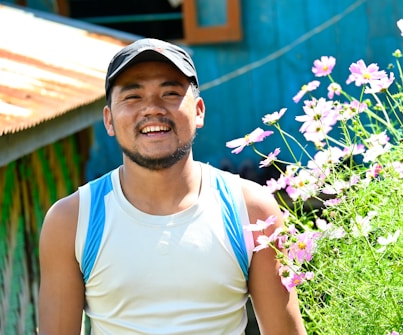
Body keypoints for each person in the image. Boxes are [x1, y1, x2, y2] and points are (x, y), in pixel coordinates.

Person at [37, 38, 307, 335]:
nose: (152, 109)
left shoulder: (252, 210)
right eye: (132, 97)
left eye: (170, 93)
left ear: (199, 111)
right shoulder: (72, 221)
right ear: (109, 120)